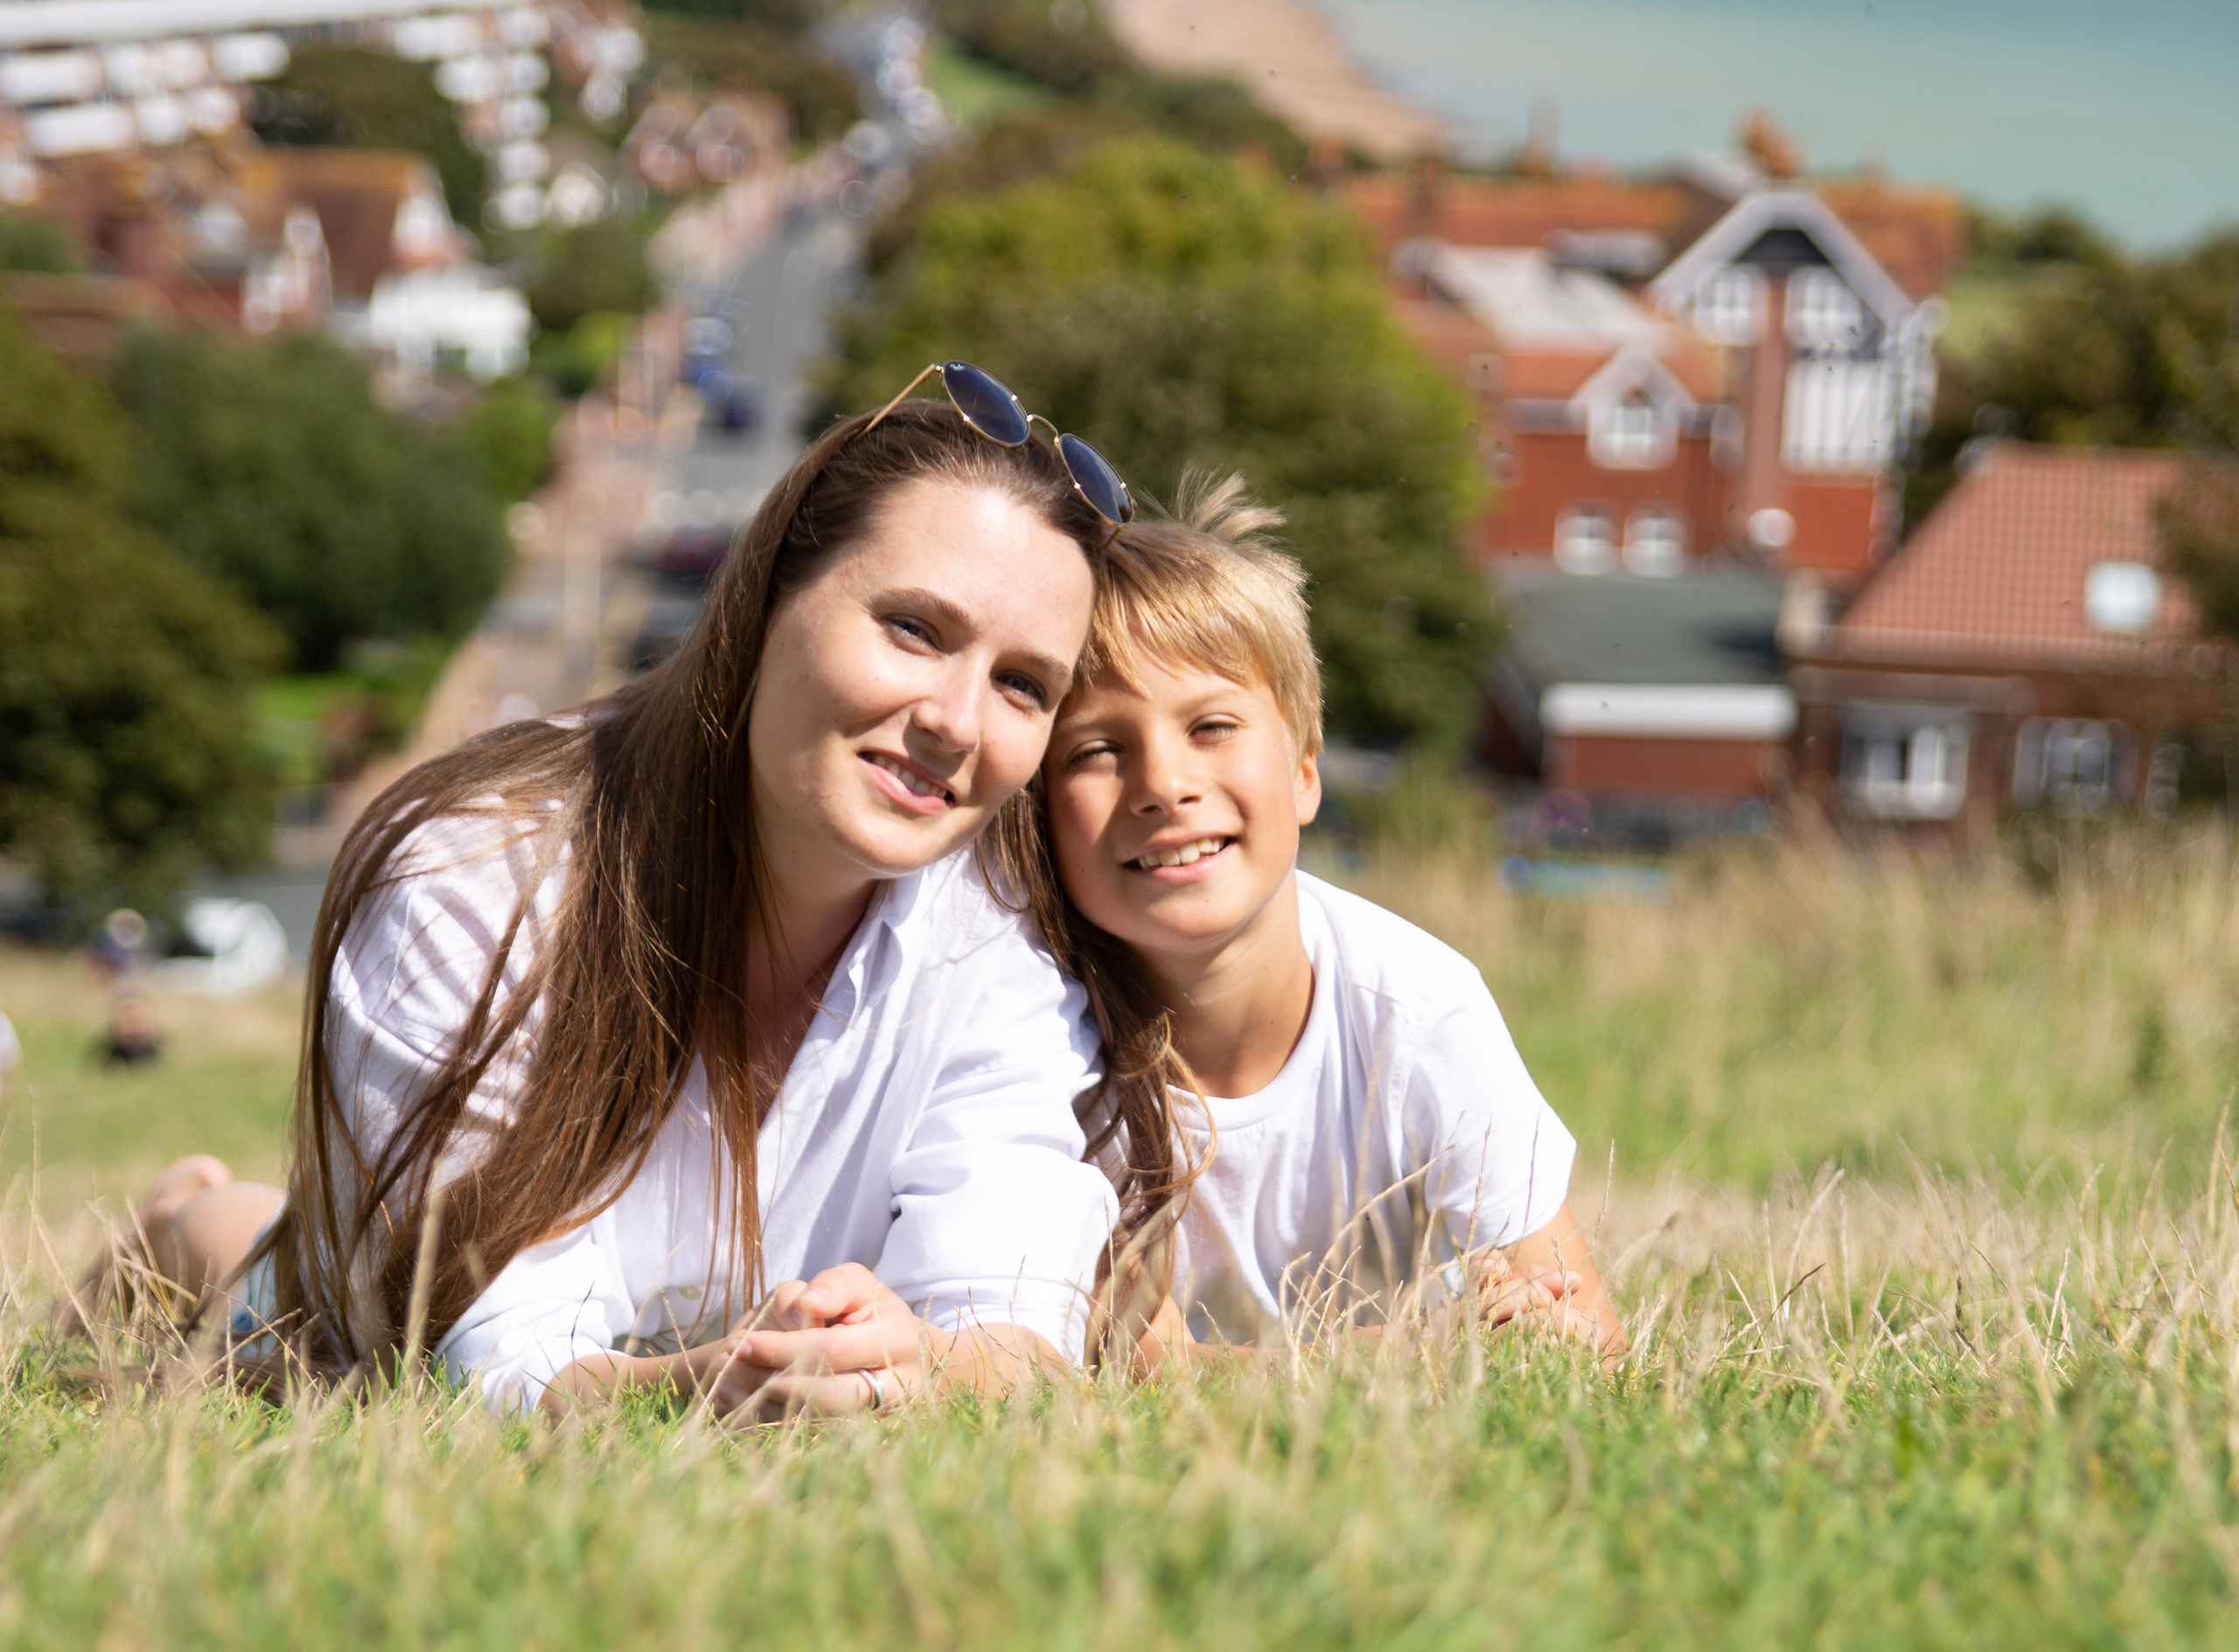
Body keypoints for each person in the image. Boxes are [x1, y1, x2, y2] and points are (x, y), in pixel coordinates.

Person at [99, 379, 1139, 1419]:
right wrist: (702, 1389)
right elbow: (470, 1347)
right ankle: (168, 1231)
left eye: (1022, 686)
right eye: (913, 628)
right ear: (766, 593)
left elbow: (1013, 1316)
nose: (957, 721)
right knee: (269, 1278)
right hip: (359, 1291)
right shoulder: (476, 872)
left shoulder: (1004, 941)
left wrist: (922, 1368)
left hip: (675, 1318)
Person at [995, 474, 1624, 1367]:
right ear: (1038, 810)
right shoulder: (1027, 1031)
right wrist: (1410, 1356)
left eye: (1211, 726)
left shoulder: (1417, 1010)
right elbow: (1128, 1362)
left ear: (1303, 771)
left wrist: (1534, 1335)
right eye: (1097, 750)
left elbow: (1582, 1331)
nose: (1164, 785)